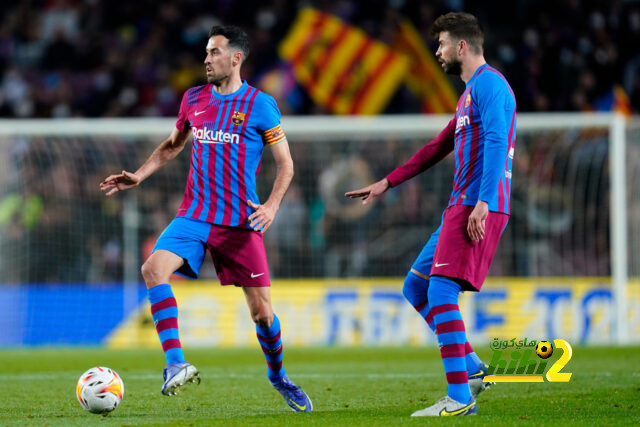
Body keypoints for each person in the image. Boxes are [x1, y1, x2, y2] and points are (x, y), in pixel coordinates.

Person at [100, 25, 312, 412]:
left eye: (214, 52)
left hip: (239, 223)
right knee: (152, 269)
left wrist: (272, 205)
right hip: (195, 215)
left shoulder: (261, 105)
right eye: (206, 52)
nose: (206, 59)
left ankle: (279, 375)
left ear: (236, 58)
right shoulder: (194, 98)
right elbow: (172, 145)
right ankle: (175, 363)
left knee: (262, 314)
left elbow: (286, 164)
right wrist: (139, 174)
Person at [346, 12, 516, 417]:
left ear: (461, 46)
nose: (436, 52)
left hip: (475, 205)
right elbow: (436, 148)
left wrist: (483, 201)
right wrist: (387, 182)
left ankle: (459, 399)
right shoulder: (468, 94)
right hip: (461, 205)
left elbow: (496, 140)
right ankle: (471, 368)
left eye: (440, 44)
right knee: (416, 288)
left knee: (441, 292)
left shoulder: (491, 85)